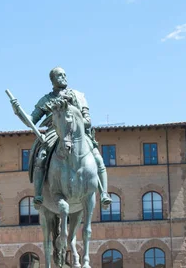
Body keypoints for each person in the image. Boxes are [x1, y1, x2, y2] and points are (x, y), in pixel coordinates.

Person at [10, 67, 112, 208]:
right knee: (42, 156)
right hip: (55, 131)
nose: (64, 77)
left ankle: (104, 194)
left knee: (98, 158)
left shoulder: (78, 96)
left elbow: (88, 120)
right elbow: (31, 120)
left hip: (78, 133)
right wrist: (18, 112)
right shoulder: (46, 100)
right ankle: (39, 195)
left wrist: (76, 121)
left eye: (64, 75)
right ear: (52, 80)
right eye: (59, 75)